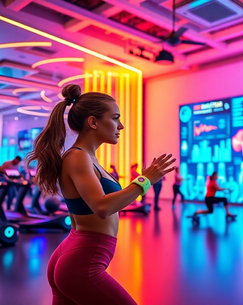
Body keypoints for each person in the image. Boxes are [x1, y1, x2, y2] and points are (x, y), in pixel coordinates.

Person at [26, 84, 175, 305]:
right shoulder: (78, 157)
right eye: (115, 118)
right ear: (93, 122)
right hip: (82, 261)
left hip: (76, 254)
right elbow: (102, 207)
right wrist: (145, 181)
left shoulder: (87, 157)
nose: (121, 125)